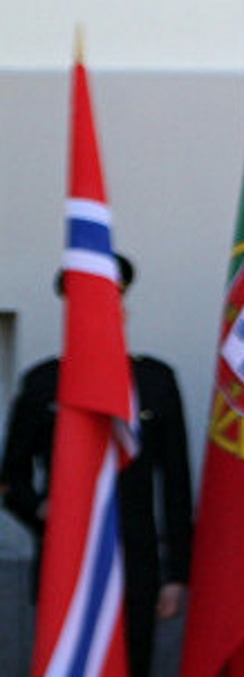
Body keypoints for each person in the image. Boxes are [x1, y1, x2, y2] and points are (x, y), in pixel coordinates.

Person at [0, 254, 193, 677]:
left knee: (135, 663)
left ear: (122, 306)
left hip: (138, 562)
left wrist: (177, 574)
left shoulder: (154, 382)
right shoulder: (45, 382)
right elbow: (10, 477)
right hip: (66, 561)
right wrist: (40, 510)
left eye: (109, 300)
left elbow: (176, 483)